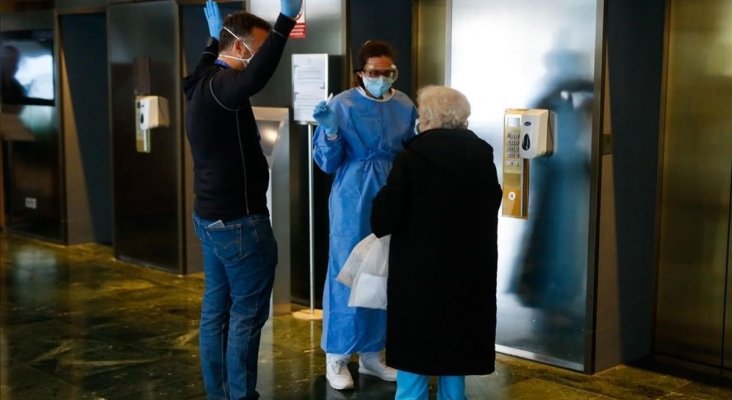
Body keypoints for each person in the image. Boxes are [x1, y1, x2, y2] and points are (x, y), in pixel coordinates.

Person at [181, 0, 301, 399]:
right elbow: (251, 81)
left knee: (215, 313)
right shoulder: (222, 87)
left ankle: (219, 394)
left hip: (209, 218)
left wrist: (212, 38)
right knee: (246, 319)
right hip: (239, 223)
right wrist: (286, 21)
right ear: (239, 48)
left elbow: (206, 61)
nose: (258, 59)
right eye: (257, 49)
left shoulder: (199, 79)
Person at [371, 85, 503, 399]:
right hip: (469, 272)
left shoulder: (411, 158)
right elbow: (492, 201)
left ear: (428, 118)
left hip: (421, 276)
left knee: (415, 356)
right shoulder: (482, 154)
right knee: (455, 353)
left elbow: (384, 219)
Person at [311, 40, 417, 390]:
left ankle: (372, 355)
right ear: (360, 73)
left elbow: (412, 150)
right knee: (348, 272)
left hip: (391, 192)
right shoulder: (341, 104)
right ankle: (337, 356)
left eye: (388, 72)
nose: (382, 78)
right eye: (374, 73)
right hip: (352, 197)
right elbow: (326, 162)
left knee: (383, 271)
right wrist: (328, 131)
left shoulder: (404, 104)